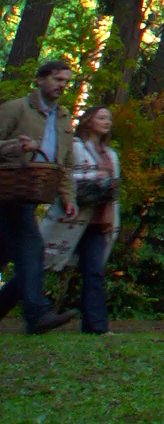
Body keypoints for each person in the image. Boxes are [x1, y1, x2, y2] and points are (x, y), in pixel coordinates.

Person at [0, 61, 77, 334]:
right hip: (6, 190)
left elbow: (64, 163)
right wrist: (17, 147)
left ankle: (35, 314)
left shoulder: (64, 118)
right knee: (32, 253)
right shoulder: (16, 108)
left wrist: (67, 196)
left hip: (27, 195)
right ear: (39, 80)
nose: (62, 85)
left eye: (66, 81)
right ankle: (37, 315)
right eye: (57, 79)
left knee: (25, 258)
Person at [43, 105, 118, 335]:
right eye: (101, 117)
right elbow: (63, 176)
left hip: (98, 222)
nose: (107, 122)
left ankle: (96, 327)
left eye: (109, 119)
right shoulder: (74, 148)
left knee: (94, 272)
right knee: (41, 264)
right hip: (71, 219)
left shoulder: (110, 154)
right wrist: (95, 178)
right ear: (88, 121)